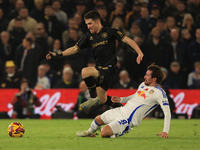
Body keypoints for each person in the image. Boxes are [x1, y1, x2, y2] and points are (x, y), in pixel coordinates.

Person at [46, 10, 144, 110]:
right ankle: (125, 111)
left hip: (110, 69)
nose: (88, 26)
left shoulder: (110, 32)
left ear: (97, 21)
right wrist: (58, 55)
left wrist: (139, 53)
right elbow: (74, 48)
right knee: (103, 99)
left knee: (85, 71)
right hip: (100, 71)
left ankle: (93, 97)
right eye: (87, 24)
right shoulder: (89, 36)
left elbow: (128, 40)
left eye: (90, 23)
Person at [76, 64, 171, 138]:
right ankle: (89, 133)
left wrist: (165, 131)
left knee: (103, 132)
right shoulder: (143, 85)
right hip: (121, 110)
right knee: (98, 119)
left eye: (147, 75)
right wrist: (121, 99)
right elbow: (135, 96)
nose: (144, 76)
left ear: (154, 79)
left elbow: (167, 112)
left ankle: (120, 132)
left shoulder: (159, 93)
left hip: (127, 120)